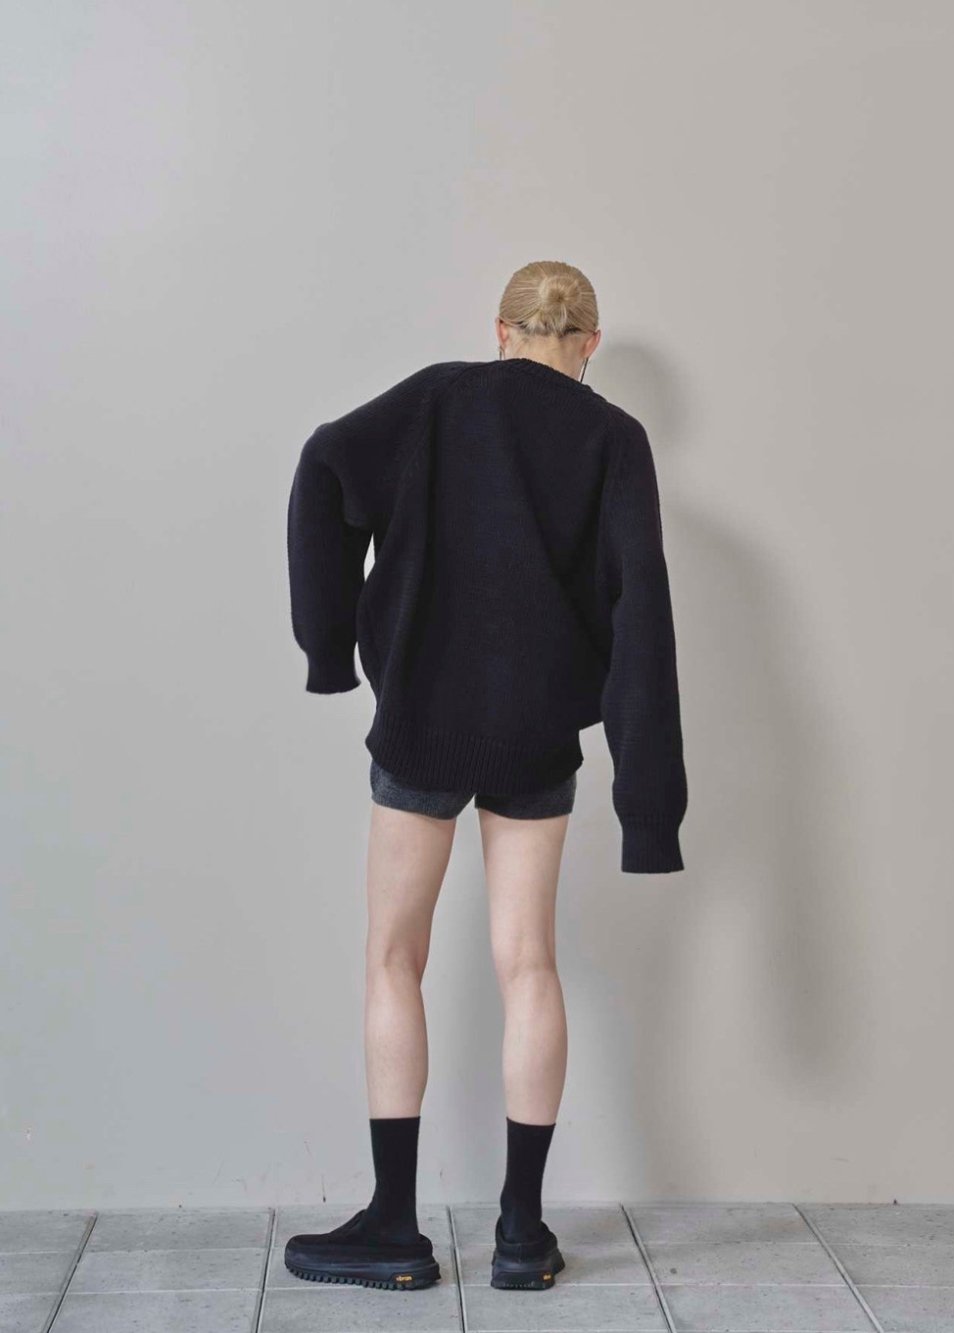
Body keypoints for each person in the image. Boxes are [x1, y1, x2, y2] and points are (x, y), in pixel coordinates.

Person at [282, 260, 688, 1293]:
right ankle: (518, 1230)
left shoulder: (434, 399)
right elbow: (643, 616)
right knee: (530, 966)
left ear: (501, 331)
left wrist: (331, 649)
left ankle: (392, 1226)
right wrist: (648, 809)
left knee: (392, 957)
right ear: (589, 344)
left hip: (421, 722)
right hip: (535, 736)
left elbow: (322, 468)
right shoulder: (614, 439)